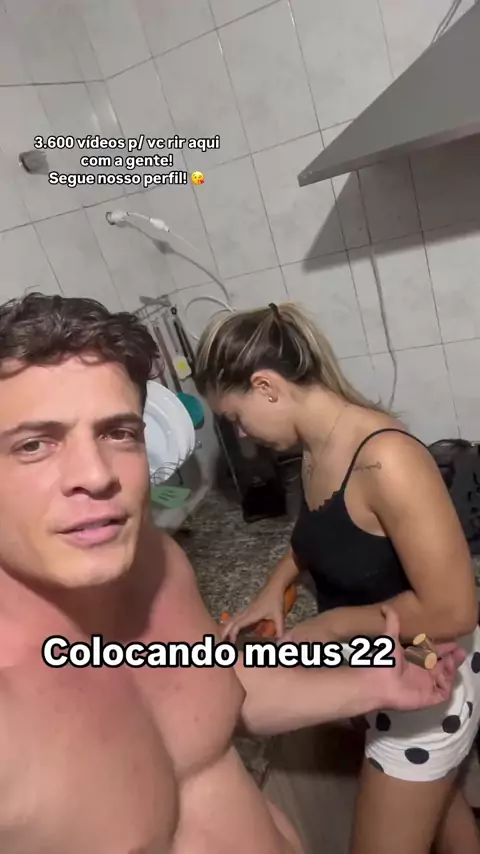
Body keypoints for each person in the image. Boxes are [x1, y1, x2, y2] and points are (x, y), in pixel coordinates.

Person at [0, 292, 467, 854]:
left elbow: (221, 696)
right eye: (34, 444)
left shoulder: (160, 568)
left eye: (118, 432)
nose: (96, 474)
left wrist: (372, 683)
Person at [194, 300, 480, 854]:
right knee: (443, 811)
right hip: (383, 665)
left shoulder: (386, 459)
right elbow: (322, 532)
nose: (242, 435)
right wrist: (274, 587)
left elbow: (456, 610)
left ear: (266, 386)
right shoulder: (316, 448)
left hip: (429, 675)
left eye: (236, 417)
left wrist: (334, 626)